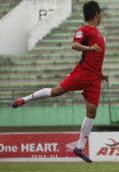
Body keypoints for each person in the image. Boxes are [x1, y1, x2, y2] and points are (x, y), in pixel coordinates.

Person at [11, 1, 107, 163]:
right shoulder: (84, 30)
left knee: (92, 112)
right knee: (56, 92)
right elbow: (75, 45)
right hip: (82, 73)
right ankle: (24, 99)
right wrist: (89, 48)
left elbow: (96, 59)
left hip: (95, 78)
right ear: (97, 14)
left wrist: (102, 74)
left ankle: (79, 147)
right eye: (100, 13)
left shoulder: (99, 35)